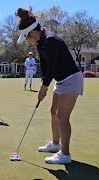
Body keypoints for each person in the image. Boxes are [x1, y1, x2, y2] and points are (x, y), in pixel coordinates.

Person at [16, 7, 84, 164]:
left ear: (32, 33)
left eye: (26, 38)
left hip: (72, 78)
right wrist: (42, 83)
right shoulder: (40, 42)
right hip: (61, 80)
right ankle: (55, 144)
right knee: (53, 111)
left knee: (62, 116)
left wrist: (44, 88)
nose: (27, 41)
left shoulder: (50, 40)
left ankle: (65, 154)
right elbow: (46, 65)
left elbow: (52, 68)